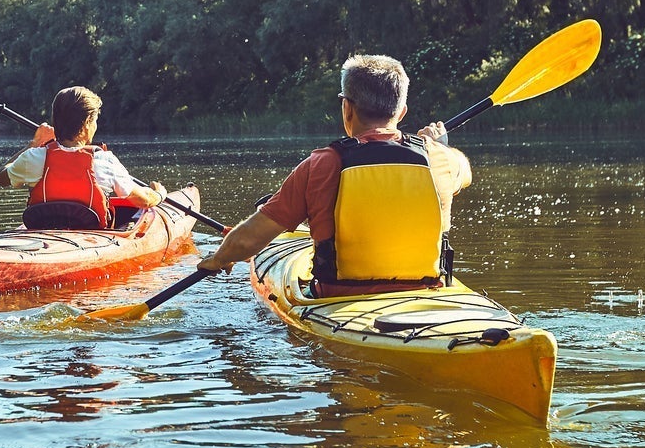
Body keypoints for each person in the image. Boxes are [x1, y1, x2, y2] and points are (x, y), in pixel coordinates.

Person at [196, 53, 470, 294]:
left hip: (339, 298)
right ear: (402, 112)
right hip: (426, 292)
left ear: (346, 107)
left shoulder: (322, 164)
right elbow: (464, 172)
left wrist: (220, 259)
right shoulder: (439, 158)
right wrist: (437, 144)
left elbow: (249, 238)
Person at [0, 86, 166, 230]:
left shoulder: (34, 157)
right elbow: (142, 200)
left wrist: (34, 143)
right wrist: (159, 195)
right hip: (93, 238)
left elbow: (1, 177)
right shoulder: (104, 161)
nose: (95, 126)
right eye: (95, 121)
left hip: (43, 234)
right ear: (86, 124)